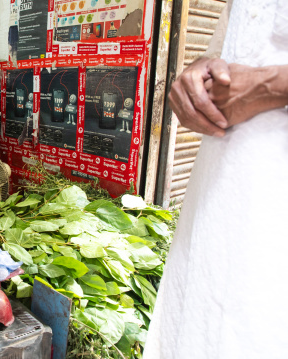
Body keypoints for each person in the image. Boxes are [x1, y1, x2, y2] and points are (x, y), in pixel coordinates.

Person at [143, 0, 288, 358]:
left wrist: (269, 85)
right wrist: (194, 75)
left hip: (274, 199)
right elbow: (225, 47)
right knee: (197, 327)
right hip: (219, 197)